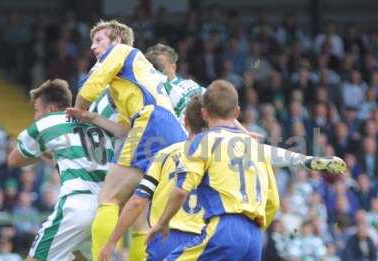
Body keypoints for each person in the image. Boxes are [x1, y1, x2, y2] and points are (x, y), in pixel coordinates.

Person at [68, 20, 187, 261]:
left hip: (151, 122)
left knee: (108, 198)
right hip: (167, 131)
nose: (93, 47)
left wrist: (78, 107)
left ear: (117, 39)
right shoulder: (131, 77)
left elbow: (89, 88)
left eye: (98, 40)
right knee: (141, 222)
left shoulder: (121, 51)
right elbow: (124, 128)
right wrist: (93, 117)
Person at [139, 80, 280, 261]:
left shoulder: (204, 142)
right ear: (237, 112)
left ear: (204, 113)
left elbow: (180, 190)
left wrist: (162, 222)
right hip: (254, 238)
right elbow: (273, 202)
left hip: (225, 229)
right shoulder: (254, 147)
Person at [145, 43, 347, 173]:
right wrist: (242, 131)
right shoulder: (189, 85)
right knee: (256, 151)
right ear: (173, 66)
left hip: (185, 142)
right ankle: (304, 160)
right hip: (215, 131)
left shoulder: (152, 87)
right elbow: (219, 105)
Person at [8, 79, 114, 261]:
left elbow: (14, 160)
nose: (35, 116)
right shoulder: (97, 124)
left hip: (77, 205)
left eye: (37, 110)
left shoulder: (46, 124)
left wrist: (44, 151)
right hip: (107, 209)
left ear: (51, 108)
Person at [97, 96, 207, 261]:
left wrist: (112, 241)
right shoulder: (218, 156)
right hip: (206, 239)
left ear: (185, 122)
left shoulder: (165, 154)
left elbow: (138, 201)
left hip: (168, 236)